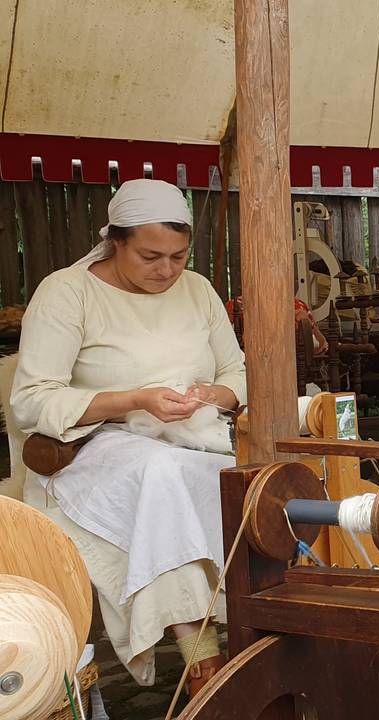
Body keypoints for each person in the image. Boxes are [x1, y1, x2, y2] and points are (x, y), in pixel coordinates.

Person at [11, 179, 245, 696]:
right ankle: (200, 655)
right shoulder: (67, 292)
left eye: (179, 256)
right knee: (159, 477)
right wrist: (135, 399)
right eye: (150, 256)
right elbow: (31, 400)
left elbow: (240, 373)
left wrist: (215, 394)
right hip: (94, 449)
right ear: (116, 241)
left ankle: (256, 627)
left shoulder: (199, 289)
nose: (166, 270)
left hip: (198, 442)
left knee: (244, 483)